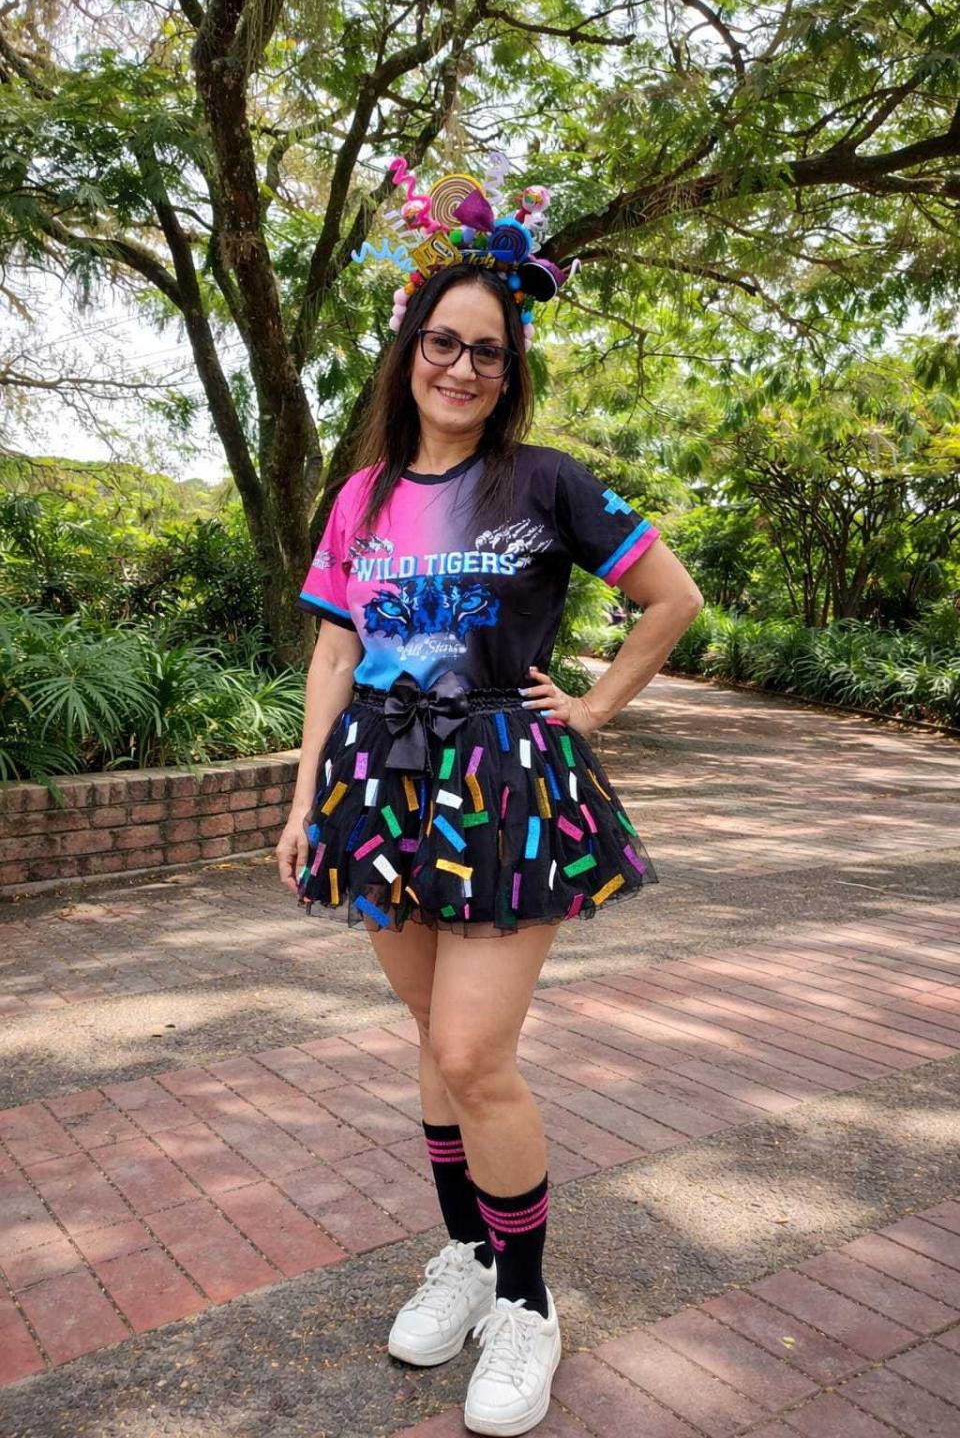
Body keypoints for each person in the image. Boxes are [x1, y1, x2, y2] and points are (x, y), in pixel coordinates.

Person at [276, 167, 703, 1437]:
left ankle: (526, 1301)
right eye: (443, 343)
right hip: (378, 784)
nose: (461, 367)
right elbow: (335, 656)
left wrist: (595, 706)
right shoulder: (360, 497)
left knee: (473, 1053)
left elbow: (671, 599)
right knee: (429, 1038)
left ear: (511, 371)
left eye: (488, 352)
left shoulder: (548, 482)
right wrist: (303, 801)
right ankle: (466, 1256)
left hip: (503, 784)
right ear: (409, 349)